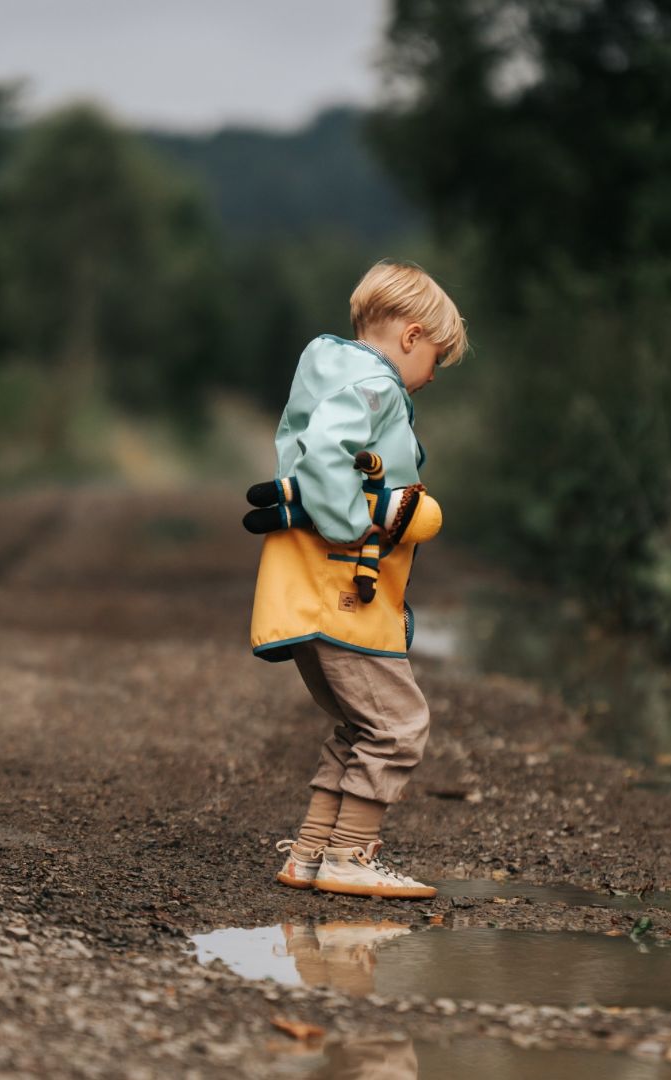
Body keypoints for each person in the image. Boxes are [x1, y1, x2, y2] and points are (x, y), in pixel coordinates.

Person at [250, 259, 467, 899]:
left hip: (311, 593)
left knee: (360, 726)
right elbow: (327, 455)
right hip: (340, 589)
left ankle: (312, 854)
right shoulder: (374, 387)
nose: (431, 376)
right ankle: (350, 857)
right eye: (435, 357)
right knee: (400, 724)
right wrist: (354, 528)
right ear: (410, 335)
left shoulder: (332, 376)